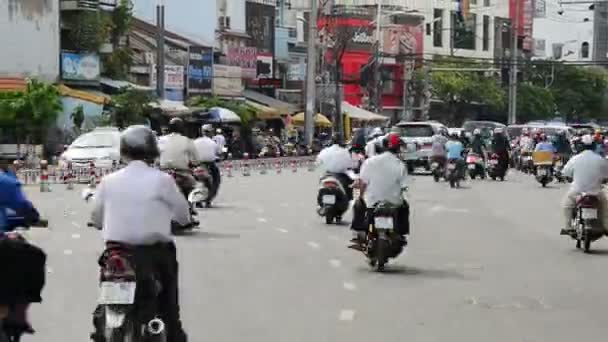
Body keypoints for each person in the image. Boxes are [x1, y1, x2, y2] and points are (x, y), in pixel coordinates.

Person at [90, 125, 190, 342]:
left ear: (123, 150)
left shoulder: (108, 181)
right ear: (153, 151)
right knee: (169, 309)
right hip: (154, 253)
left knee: (105, 305)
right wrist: (179, 222)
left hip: (116, 255)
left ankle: (101, 328)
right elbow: (184, 215)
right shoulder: (162, 180)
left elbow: (96, 218)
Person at [350, 133, 409, 246]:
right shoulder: (400, 165)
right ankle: (402, 234)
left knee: (357, 203)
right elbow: (404, 186)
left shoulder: (370, 162)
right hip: (394, 204)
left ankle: (358, 233)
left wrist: (359, 198)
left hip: (372, 203)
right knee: (405, 206)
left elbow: (362, 183)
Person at [560, 134, 608, 236]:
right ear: (594, 146)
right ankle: (606, 227)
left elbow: (565, 172)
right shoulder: (600, 159)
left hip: (577, 191)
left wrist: (568, 177)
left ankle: (568, 227)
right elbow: (606, 175)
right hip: (596, 192)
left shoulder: (575, 158)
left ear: (580, 146)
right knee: (605, 209)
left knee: (567, 205)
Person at [159, 117, 199, 198]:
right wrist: (194, 164)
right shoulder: (187, 140)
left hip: (163, 173)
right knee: (193, 189)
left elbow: (155, 157)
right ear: (182, 128)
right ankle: (190, 208)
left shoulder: (160, 140)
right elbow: (196, 160)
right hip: (182, 173)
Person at [194, 124, 222, 202]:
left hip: (197, 165)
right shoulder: (213, 142)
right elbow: (219, 152)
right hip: (210, 164)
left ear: (202, 132)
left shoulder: (195, 141)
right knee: (216, 179)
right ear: (210, 132)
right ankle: (209, 198)